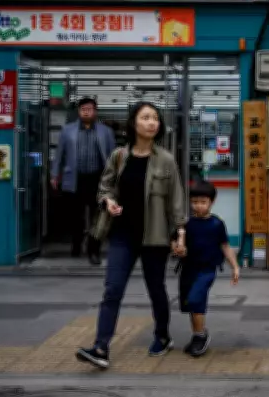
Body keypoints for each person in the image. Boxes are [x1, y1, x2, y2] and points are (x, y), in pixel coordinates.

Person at [76, 102, 187, 369]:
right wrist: (108, 202)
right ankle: (101, 347)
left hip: (155, 237)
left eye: (155, 118)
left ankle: (162, 335)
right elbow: (105, 188)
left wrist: (179, 234)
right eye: (146, 117)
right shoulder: (119, 156)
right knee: (112, 289)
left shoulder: (166, 160)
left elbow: (176, 202)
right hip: (123, 235)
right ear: (134, 123)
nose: (152, 122)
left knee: (155, 289)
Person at [172, 180, 240, 358]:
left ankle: (200, 336)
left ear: (212, 202)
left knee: (196, 299)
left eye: (203, 202)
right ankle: (197, 335)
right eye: (195, 202)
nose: (198, 206)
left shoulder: (217, 224)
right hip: (188, 269)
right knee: (189, 303)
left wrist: (235, 266)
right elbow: (176, 245)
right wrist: (178, 248)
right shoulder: (186, 224)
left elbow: (225, 246)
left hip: (207, 269)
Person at [51, 96, 116, 264]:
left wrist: (115, 178)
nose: (86, 112)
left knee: (98, 216)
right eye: (83, 109)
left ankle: (93, 250)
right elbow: (59, 155)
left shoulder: (105, 132)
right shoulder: (68, 130)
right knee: (76, 216)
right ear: (79, 112)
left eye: (90, 109)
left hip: (97, 178)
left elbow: (113, 157)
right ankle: (76, 245)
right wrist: (54, 175)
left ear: (95, 111)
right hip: (75, 178)